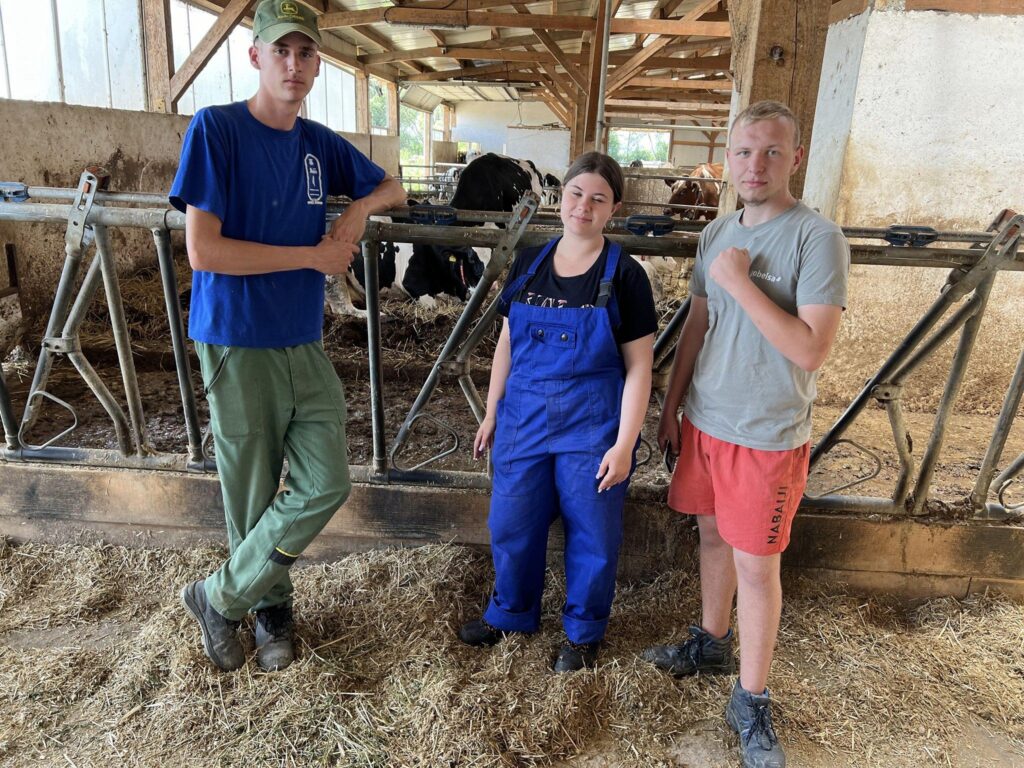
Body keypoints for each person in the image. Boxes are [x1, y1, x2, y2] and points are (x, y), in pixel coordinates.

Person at [169, 0, 406, 673]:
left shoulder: (318, 144)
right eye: (282, 51)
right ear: (256, 57)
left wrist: (357, 208)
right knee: (249, 493)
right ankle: (271, 612)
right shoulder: (216, 130)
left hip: (300, 338)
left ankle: (218, 597)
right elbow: (204, 253)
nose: (294, 65)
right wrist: (310, 257)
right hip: (238, 337)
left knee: (326, 480)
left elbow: (393, 188)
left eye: (306, 53)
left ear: (318, 63)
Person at [642, 101, 849, 768]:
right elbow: (698, 324)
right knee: (709, 535)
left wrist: (741, 279)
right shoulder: (717, 231)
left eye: (770, 151)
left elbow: (811, 349)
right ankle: (711, 638)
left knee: (758, 567)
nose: (754, 165)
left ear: (795, 159)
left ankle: (752, 699)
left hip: (766, 432)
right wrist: (671, 406)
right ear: (727, 159)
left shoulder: (817, 239)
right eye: (743, 151)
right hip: (706, 420)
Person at [459, 152, 657, 672]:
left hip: (591, 425)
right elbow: (506, 341)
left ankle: (582, 633)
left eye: (598, 198)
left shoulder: (627, 276)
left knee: (593, 528)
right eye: (576, 194)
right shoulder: (528, 263)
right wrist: (492, 411)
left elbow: (640, 368)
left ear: (613, 208)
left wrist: (624, 443)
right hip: (522, 417)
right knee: (511, 519)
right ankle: (510, 612)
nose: (583, 207)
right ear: (560, 196)